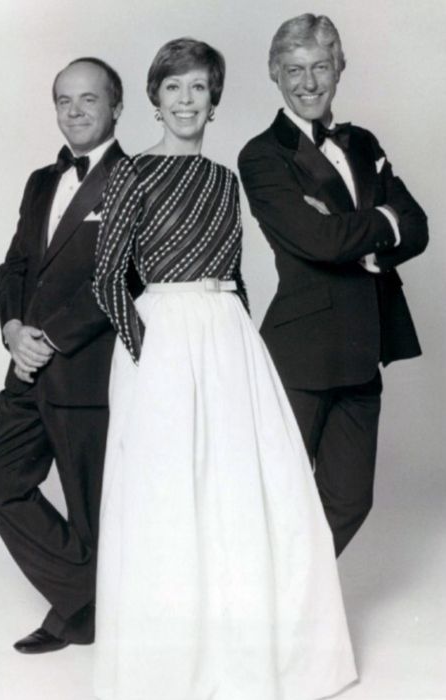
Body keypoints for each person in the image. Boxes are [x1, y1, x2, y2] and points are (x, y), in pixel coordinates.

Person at [93, 37, 356, 700]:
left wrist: (242, 343)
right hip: (161, 338)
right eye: (174, 87)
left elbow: (235, 275)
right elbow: (106, 280)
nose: (187, 100)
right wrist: (146, 353)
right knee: (168, 497)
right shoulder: (131, 173)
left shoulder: (226, 181)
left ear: (214, 100)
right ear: (155, 98)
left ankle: (245, 663)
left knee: (241, 491)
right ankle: (170, 671)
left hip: (227, 336)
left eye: (199, 88)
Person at [238, 14, 428, 557]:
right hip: (301, 355)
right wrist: (380, 222)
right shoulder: (262, 155)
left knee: (349, 501)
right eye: (294, 70)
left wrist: (360, 231)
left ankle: (296, 606)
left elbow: (417, 226)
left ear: (339, 69)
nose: (309, 82)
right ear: (275, 74)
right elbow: (318, 240)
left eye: (321, 66)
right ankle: (263, 618)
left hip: (365, 347)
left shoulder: (363, 142)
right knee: (278, 496)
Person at [0, 57, 137, 654]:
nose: (75, 111)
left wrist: (50, 338)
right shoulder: (41, 179)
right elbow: (15, 264)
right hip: (25, 364)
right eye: (64, 100)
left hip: (85, 370)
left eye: (88, 99)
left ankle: (84, 613)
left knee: (89, 505)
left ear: (115, 106)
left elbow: (122, 278)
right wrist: (13, 328)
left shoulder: (133, 179)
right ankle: (87, 599)